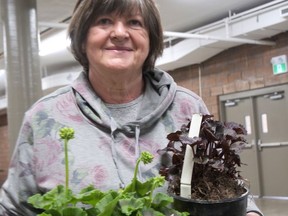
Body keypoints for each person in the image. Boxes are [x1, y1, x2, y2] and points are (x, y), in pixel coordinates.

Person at [0, 0, 263, 215]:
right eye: (104, 21)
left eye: (134, 23)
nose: (119, 32)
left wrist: (249, 212)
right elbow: (12, 208)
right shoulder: (44, 117)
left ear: (150, 41)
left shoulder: (187, 107)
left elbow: (224, 188)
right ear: (81, 39)